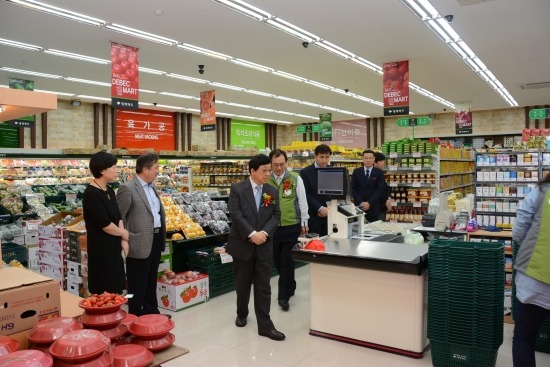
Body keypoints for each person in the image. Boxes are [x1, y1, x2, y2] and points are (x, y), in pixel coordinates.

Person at [226, 154, 284, 341]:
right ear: (252, 171)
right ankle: (241, 313)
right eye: (264, 170)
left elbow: (276, 215)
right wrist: (252, 234)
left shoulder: (272, 191)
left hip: (264, 246)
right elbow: (235, 214)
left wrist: (264, 234)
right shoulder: (237, 189)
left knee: (263, 287)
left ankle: (265, 326)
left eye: (270, 170)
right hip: (242, 244)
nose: (269, 173)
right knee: (242, 284)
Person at [117, 153, 167, 317]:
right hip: (137, 241)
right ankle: (135, 313)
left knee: (151, 279)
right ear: (145, 169)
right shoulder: (128, 188)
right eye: (155, 168)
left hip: (155, 238)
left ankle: (152, 311)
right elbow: (119, 217)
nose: (157, 171)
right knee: (136, 282)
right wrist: (124, 239)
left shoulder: (152, 187)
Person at [511, 173, 550, 367]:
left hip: (534, 278)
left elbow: (520, 224)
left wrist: (523, 240)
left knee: (524, 339)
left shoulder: (543, 191)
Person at [82, 151, 129, 295]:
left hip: (114, 246)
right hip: (101, 249)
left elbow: (117, 215)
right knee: (105, 288)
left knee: (117, 285)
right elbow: (104, 224)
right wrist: (124, 234)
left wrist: (123, 239)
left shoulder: (108, 190)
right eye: (113, 167)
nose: (117, 170)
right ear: (102, 170)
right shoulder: (91, 194)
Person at [268, 149, 309, 311]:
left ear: (287, 163)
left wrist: (304, 221)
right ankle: (290, 285)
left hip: (292, 225)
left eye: (282, 164)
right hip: (272, 227)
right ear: (270, 164)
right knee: (278, 260)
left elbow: (302, 201)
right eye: (275, 165)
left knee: (285, 261)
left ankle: (283, 297)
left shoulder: (295, 179)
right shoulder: (265, 180)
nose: (279, 168)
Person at [300, 144, 332, 236]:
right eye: (321, 157)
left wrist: (329, 208)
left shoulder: (332, 170)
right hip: (313, 216)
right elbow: (305, 194)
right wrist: (319, 208)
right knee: (315, 245)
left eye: (327, 157)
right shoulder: (305, 172)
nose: (324, 160)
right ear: (315, 156)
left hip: (330, 215)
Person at [351, 149, 386, 223]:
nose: (368, 160)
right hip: (359, 207)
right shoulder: (356, 171)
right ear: (362, 159)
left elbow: (379, 190)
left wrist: (369, 203)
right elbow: (353, 188)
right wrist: (361, 203)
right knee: (358, 229)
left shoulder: (379, 172)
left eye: (370, 158)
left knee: (374, 229)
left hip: (374, 207)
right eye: (366, 158)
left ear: (374, 159)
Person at [374, 152, 392, 221]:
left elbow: (385, 188)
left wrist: (388, 198)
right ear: (374, 162)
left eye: (384, 161)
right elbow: (378, 191)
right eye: (381, 161)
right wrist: (385, 202)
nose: (383, 163)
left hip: (382, 207)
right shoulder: (373, 174)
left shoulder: (380, 172)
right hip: (376, 207)